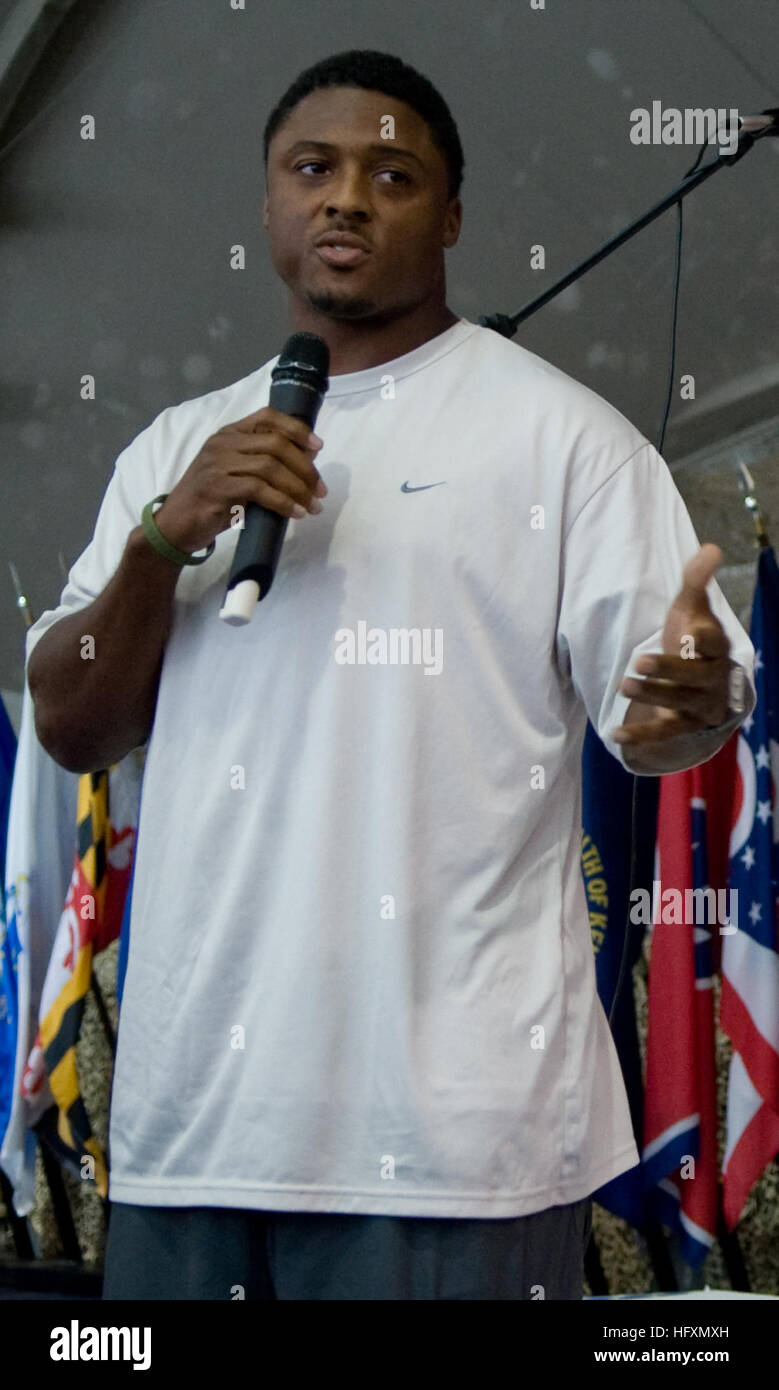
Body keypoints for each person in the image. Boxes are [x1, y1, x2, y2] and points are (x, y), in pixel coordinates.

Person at [26, 49, 755, 1301]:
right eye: (312, 169)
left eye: (391, 172)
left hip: (447, 1146)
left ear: (452, 217)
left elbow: (664, 710)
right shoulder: (170, 447)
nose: (346, 198)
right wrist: (164, 534)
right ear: (266, 205)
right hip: (191, 1127)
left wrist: (686, 694)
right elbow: (72, 720)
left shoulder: (563, 438)